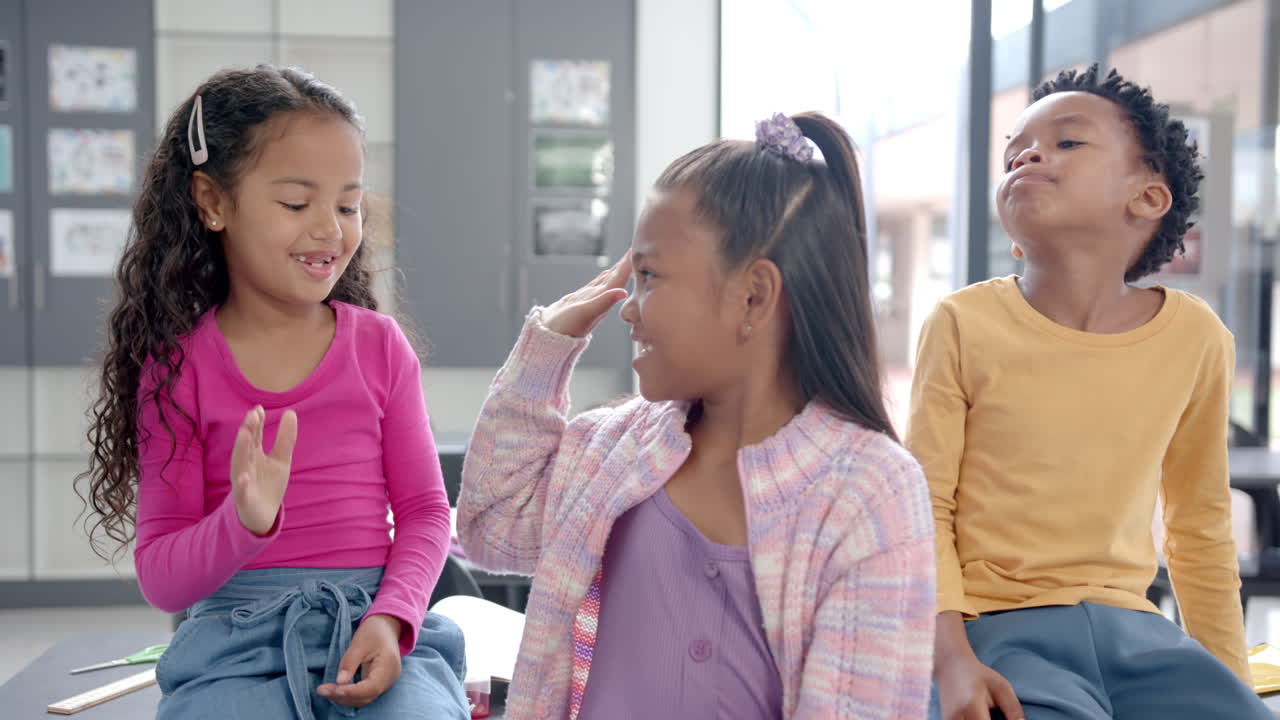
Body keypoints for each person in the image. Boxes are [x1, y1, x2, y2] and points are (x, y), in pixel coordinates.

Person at [458, 111, 936, 719]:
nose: (627, 309)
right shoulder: (611, 450)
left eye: (649, 276)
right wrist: (543, 352)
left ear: (753, 296)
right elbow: (491, 525)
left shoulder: (868, 491)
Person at [78, 65, 469, 720]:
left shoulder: (380, 348)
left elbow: (428, 511)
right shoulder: (177, 369)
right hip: (235, 643)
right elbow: (161, 575)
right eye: (296, 204)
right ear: (212, 202)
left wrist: (393, 618)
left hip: (372, 621)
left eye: (348, 205)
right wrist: (243, 522)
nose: (331, 229)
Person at [910, 65, 1272, 720]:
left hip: (1138, 635)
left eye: (1067, 141)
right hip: (998, 636)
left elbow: (1199, 523)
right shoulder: (961, 325)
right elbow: (922, 508)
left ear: (1147, 198)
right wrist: (951, 661)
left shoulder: (1197, 340)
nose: (1028, 154)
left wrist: (1228, 683)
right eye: (1014, 150)